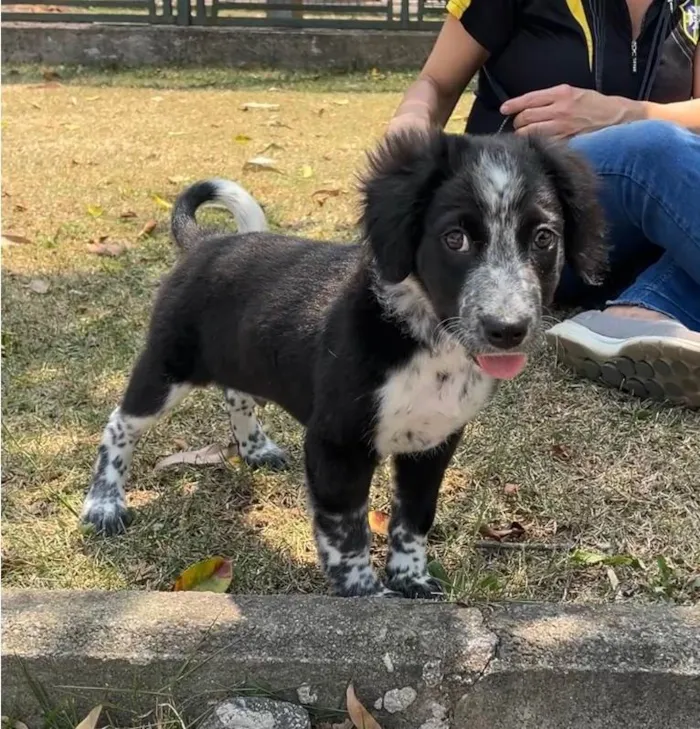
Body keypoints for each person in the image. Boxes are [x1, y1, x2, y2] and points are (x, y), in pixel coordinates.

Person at [387, 0, 700, 409]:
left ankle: (641, 314)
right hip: (522, 229)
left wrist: (621, 114)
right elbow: (436, 81)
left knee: (665, 156)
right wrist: (409, 125)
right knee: (654, 149)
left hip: (642, 232)